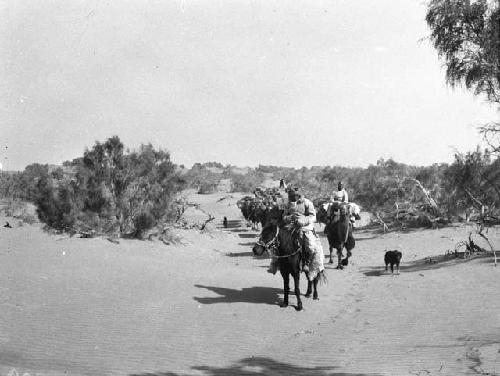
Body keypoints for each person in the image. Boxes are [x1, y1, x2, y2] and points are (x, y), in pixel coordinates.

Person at [268, 187, 325, 277]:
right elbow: (284, 215)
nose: (291, 197)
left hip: (305, 227)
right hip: (288, 227)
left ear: (298, 195)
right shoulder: (287, 203)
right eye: (289, 195)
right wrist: (289, 218)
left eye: (292, 196)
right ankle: (275, 263)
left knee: (311, 246)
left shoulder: (306, 202)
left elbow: (313, 216)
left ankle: (307, 263)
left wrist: (303, 220)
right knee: (276, 243)